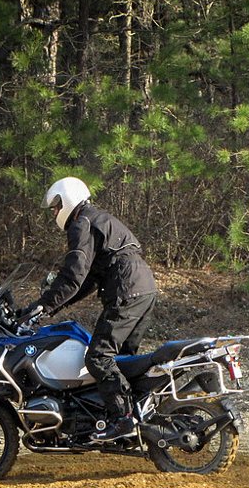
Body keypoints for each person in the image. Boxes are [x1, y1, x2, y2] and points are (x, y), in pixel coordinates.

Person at [19, 177, 158, 442]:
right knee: (123, 362)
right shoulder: (98, 219)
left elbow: (73, 274)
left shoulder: (81, 223)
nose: (55, 214)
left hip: (127, 290)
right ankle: (132, 425)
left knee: (98, 357)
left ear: (67, 199)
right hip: (144, 287)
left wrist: (41, 305)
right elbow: (87, 281)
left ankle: (123, 419)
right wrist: (52, 307)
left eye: (55, 207)